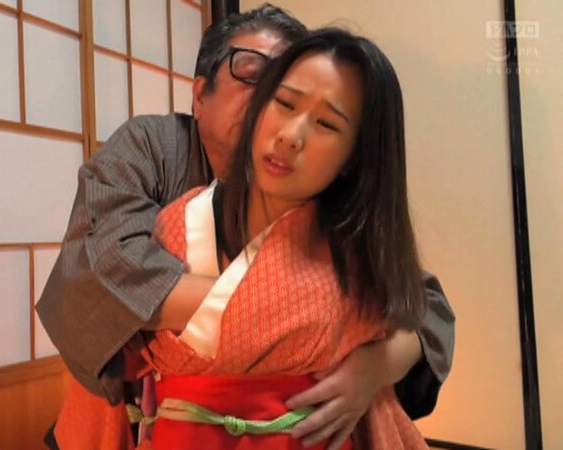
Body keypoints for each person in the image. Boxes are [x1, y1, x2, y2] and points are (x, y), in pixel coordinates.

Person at [38, 5, 454, 448]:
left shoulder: (333, 219)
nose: (288, 127)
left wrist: (374, 366)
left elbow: (414, 300)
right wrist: (318, 308)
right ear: (200, 94)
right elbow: (103, 269)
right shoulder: (154, 150)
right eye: (257, 78)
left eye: (324, 120)